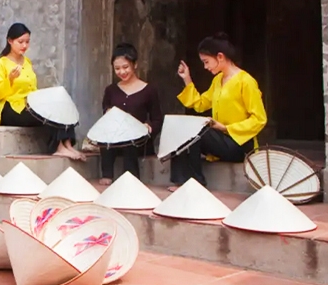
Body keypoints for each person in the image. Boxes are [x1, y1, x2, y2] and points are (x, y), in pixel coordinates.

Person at [169, 32, 268, 191]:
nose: (205, 67)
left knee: (198, 132)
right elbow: (200, 104)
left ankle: (196, 182)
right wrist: (187, 79)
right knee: (182, 128)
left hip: (240, 143)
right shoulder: (217, 80)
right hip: (222, 140)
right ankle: (180, 180)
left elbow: (259, 119)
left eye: (206, 62)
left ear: (220, 57)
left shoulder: (246, 82)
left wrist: (225, 128)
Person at [0, 23, 85, 160]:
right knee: (49, 114)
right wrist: (10, 80)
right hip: (11, 108)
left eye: (27, 42)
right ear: (10, 41)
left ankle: (68, 144)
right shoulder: (1, 64)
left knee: (60, 104)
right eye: (20, 42)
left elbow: (32, 89)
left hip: (29, 104)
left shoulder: (27, 62)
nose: (24, 46)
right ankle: (57, 148)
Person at [99, 43, 164, 185]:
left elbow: (157, 119)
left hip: (139, 141)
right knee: (104, 136)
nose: (122, 72)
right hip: (115, 139)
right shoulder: (111, 90)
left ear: (135, 65)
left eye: (125, 67)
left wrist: (149, 127)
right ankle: (107, 175)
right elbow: (105, 113)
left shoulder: (149, 90)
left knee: (131, 140)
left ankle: (131, 181)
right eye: (117, 68)